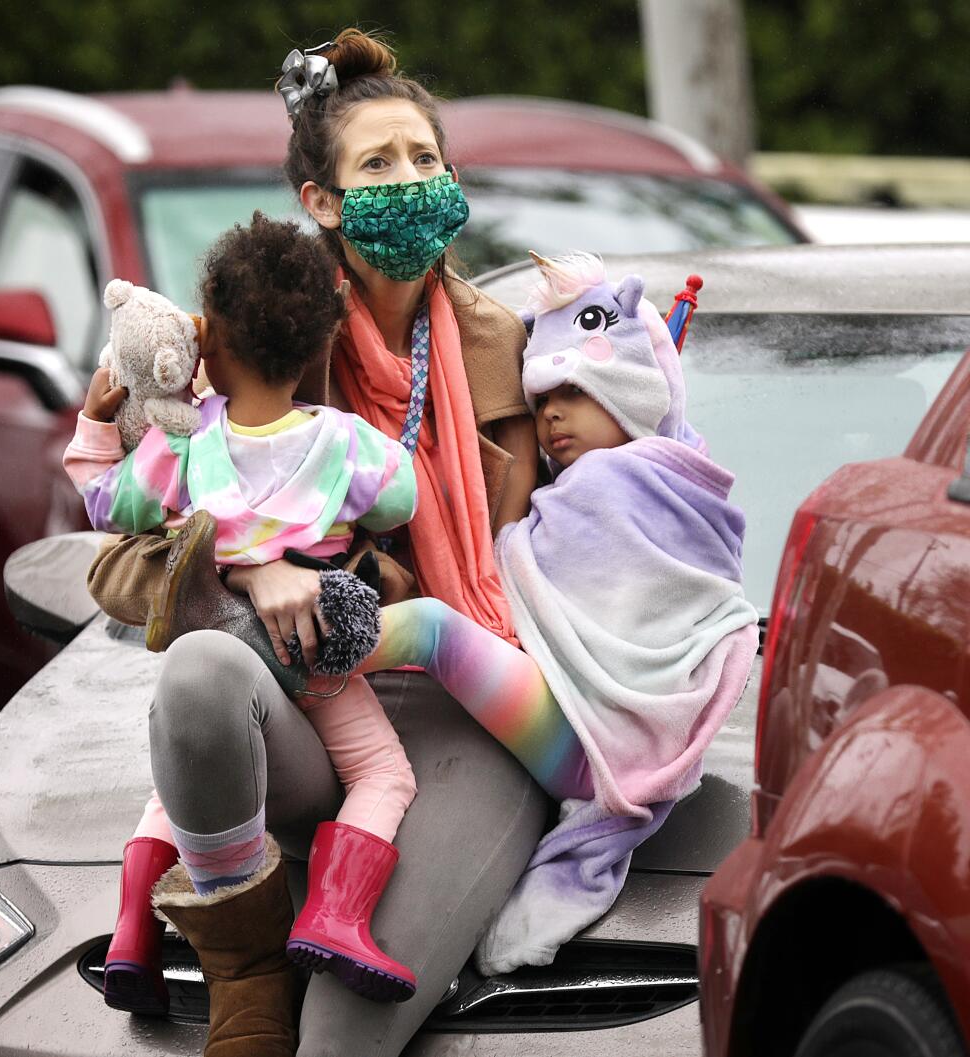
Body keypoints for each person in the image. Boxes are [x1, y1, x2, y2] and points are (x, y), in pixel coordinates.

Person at [86, 28, 547, 1057]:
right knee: (203, 670)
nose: (409, 180)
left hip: (474, 703)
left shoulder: (507, 344)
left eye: (425, 159)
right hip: (299, 699)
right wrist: (259, 562)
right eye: (377, 163)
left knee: (344, 1027)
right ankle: (238, 966)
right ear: (320, 201)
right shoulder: (262, 338)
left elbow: (558, 546)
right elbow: (124, 543)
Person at [343, 251, 759, 970]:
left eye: (576, 389)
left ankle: (295, 652)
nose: (552, 414)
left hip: (586, 739)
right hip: (613, 743)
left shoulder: (618, 482)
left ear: (632, 390)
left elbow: (514, 587)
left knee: (434, 629)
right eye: (539, 401)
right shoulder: (684, 475)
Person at [62, 214, 424, 1014]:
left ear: (210, 347)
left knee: (178, 778)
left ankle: (132, 930)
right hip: (314, 654)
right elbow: (403, 496)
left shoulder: (185, 447)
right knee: (383, 772)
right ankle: (336, 914)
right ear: (311, 349)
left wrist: (97, 424)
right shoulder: (345, 441)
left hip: (223, 635)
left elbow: (103, 504)